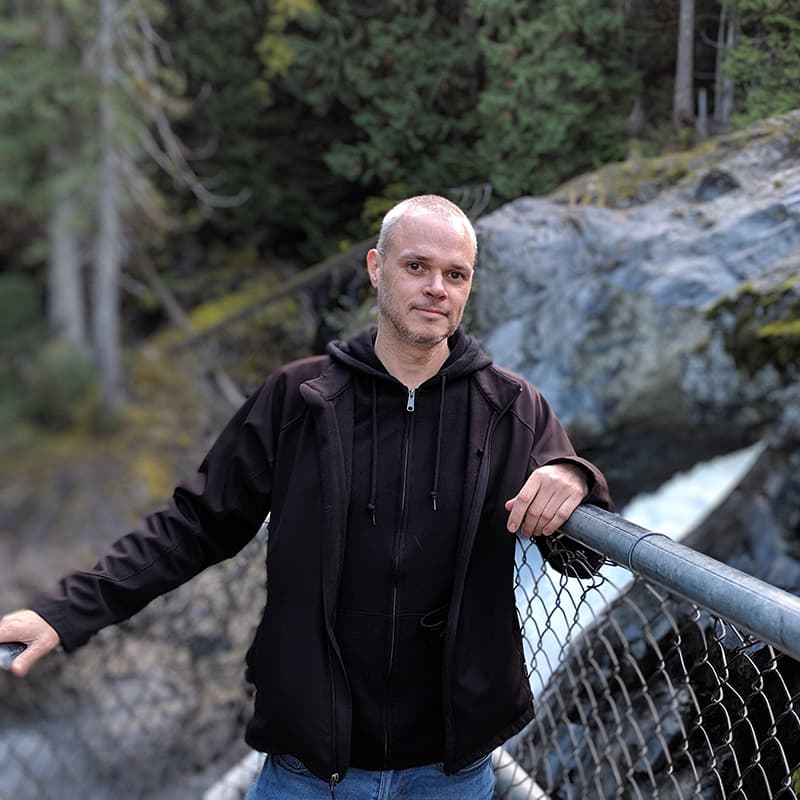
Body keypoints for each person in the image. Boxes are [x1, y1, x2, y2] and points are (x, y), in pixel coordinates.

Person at [0, 195, 611, 799]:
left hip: (450, 772)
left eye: (456, 275)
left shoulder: (511, 409)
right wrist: (64, 613)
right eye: (416, 267)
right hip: (310, 769)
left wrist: (577, 478)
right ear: (376, 268)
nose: (436, 288)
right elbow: (195, 524)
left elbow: (582, 558)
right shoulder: (300, 398)